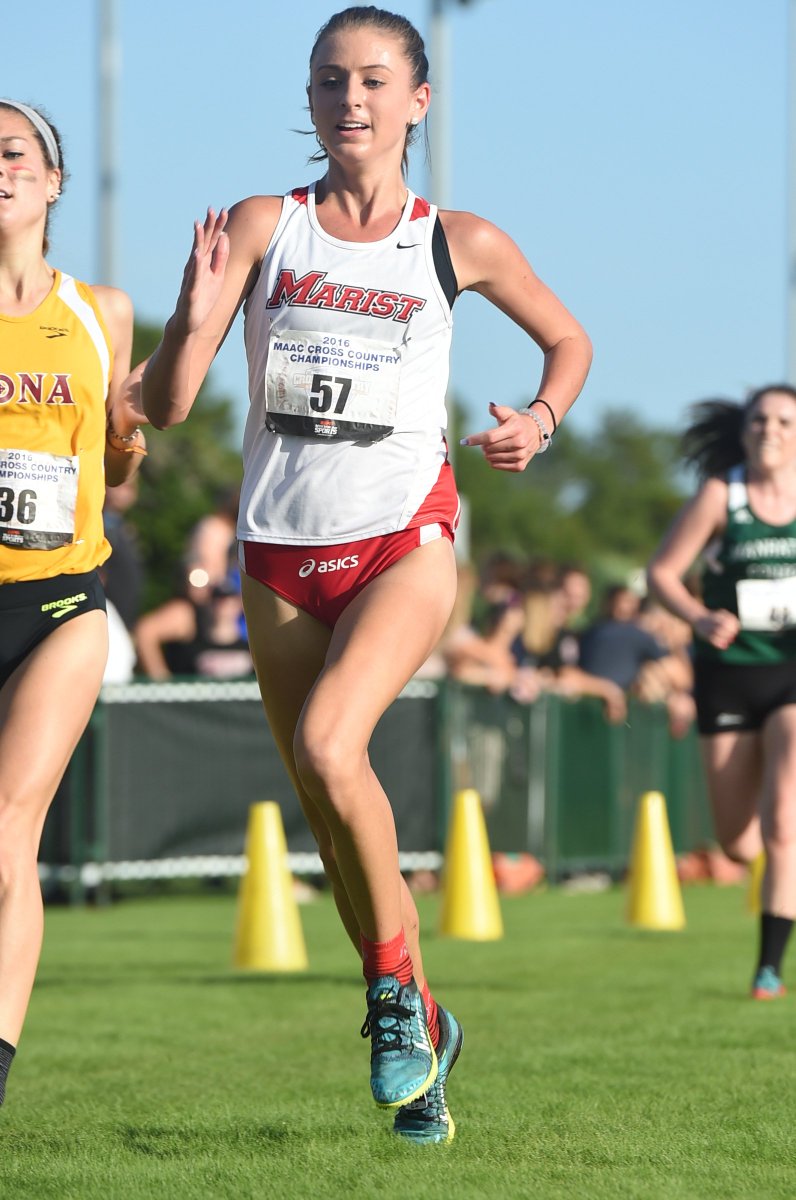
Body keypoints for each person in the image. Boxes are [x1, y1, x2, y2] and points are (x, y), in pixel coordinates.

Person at [141, 5, 591, 1143]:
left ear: (415, 102)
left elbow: (569, 341)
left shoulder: (459, 240)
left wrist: (539, 417)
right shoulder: (260, 224)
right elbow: (169, 406)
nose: (351, 98)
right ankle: (421, 1028)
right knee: (330, 816)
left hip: (403, 540)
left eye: (374, 79)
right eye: (330, 80)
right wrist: (192, 323)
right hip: (279, 554)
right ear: (308, 99)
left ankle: (392, 1000)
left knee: (335, 747)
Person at [0, 99, 145, 1107]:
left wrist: (133, 432)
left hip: (60, 601)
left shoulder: (103, 310)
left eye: (11, 152)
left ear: (52, 181)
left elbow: (121, 475)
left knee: (8, 826)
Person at [648, 385, 796, 1000]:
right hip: (729, 675)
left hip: (791, 675)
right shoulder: (722, 494)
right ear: (744, 430)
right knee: (739, 842)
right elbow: (661, 574)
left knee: (785, 821)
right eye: (760, 419)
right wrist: (699, 616)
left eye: (785, 421)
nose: (771, 430)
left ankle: (768, 969)